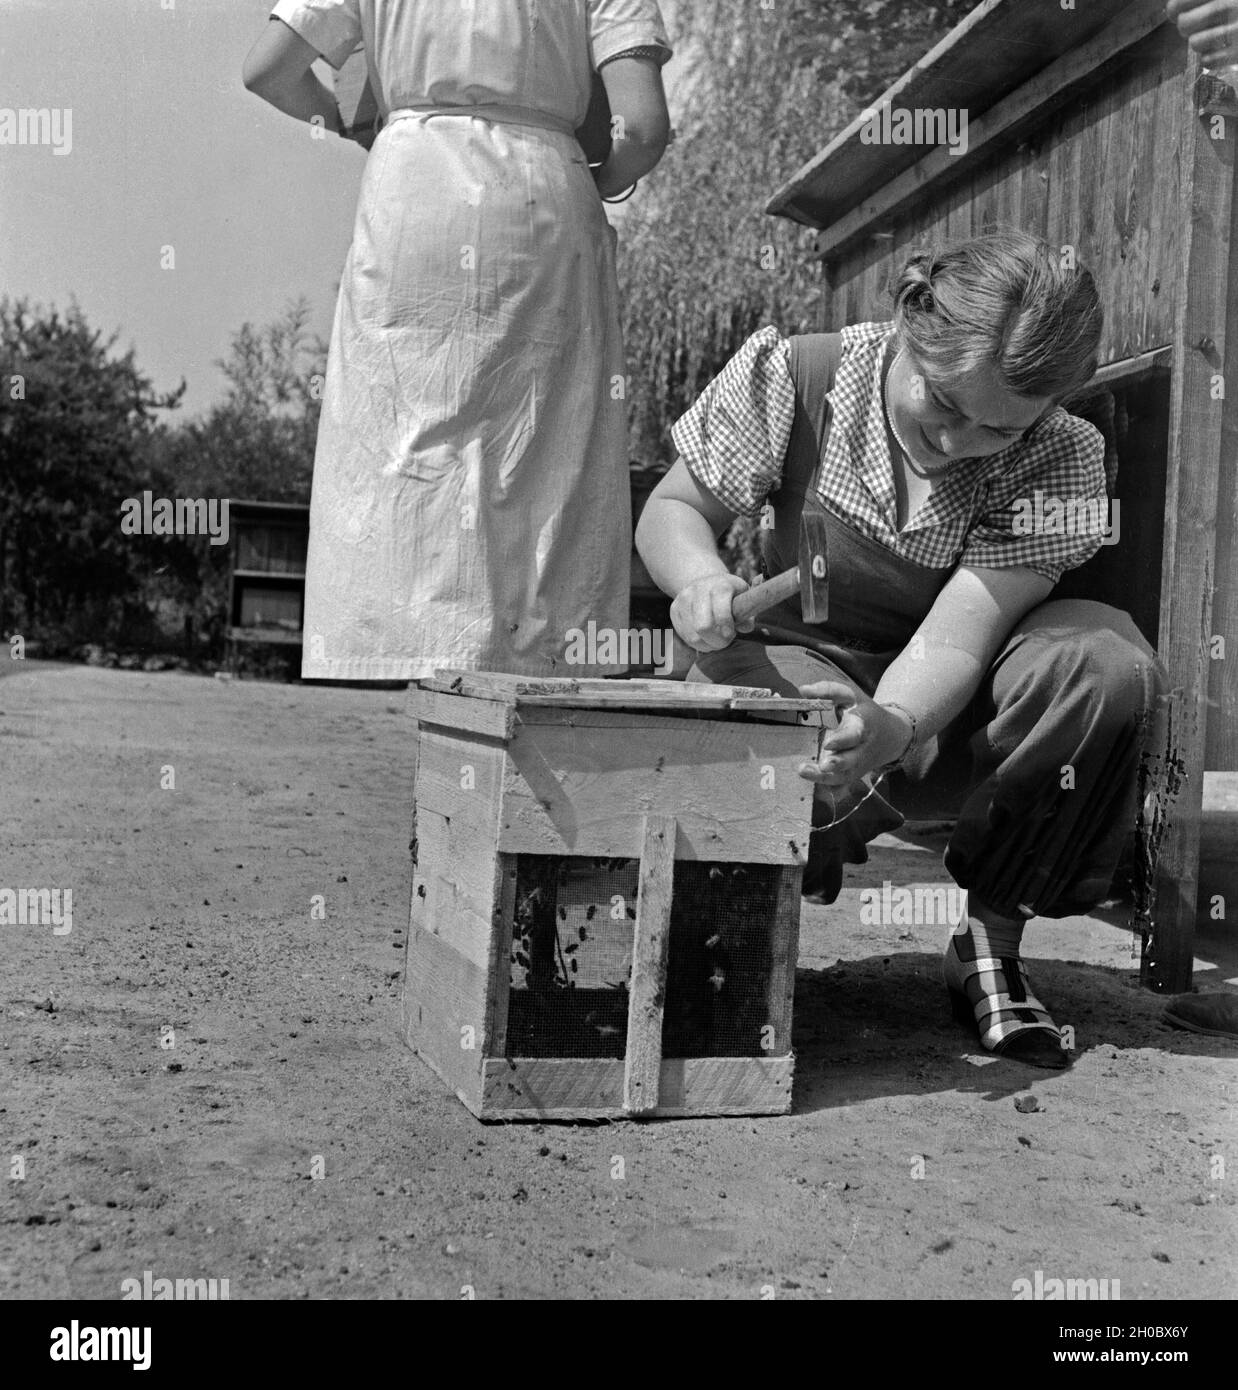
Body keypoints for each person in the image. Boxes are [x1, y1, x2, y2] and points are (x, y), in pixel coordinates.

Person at [636, 230, 1170, 1071]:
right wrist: (699, 579)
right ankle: (724, 947)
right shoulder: (799, 375)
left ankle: (989, 946)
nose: (959, 442)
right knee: (764, 736)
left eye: (1000, 429)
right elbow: (674, 508)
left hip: (947, 703)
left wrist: (896, 721)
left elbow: (962, 628)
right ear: (909, 325)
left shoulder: (1064, 455)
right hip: (796, 668)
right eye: (946, 404)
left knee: (1106, 668)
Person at [242, 1, 672, 680]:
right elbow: (642, 127)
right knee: (546, 448)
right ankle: (535, 667)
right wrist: (599, 178)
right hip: (541, 194)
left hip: (414, 185)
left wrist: (361, 128)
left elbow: (268, 69)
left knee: (406, 427)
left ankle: (412, 656)